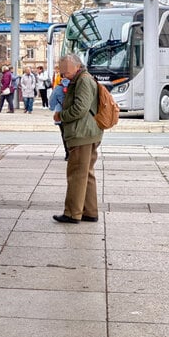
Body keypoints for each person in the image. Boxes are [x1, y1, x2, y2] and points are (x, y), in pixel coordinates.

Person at [52, 53, 103, 224]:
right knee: (86, 173)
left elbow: (80, 108)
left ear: (75, 66)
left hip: (82, 134)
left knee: (76, 174)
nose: (63, 76)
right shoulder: (83, 79)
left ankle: (72, 213)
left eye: (65, 72)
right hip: (88, 132)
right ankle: (89, 211)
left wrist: (62, 116)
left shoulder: (83, 80)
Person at [49, 73, 70, 160]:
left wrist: (52, 108)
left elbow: (52, 101)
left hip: (60, 115)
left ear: (61, 77)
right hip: (74, 114)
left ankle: (67, 154)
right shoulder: (75, 86)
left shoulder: (58, 88)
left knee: (64, 134)